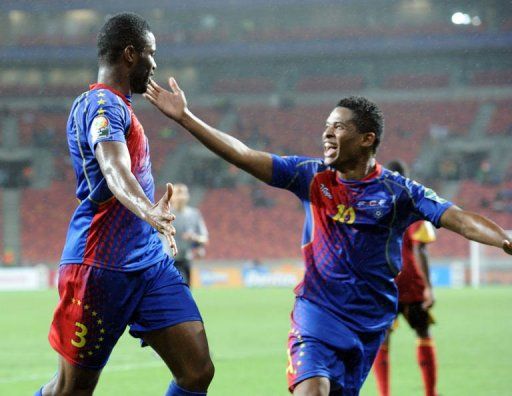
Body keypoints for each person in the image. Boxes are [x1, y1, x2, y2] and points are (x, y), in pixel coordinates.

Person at [144, 77, 512, 395]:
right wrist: (185, 118)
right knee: (312, 389)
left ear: (367, 138)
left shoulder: (399, 192)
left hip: (369, 322)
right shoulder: (310, 175)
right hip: (316, 313)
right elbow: (243, 154)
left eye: (338, 127)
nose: (326, 133)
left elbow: (457, 218)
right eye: (326, 125)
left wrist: (504, 240)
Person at [36, 14, 214, 396]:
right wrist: (148, 209)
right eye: (152, 53)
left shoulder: (120, 107)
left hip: (148, 264)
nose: (155, 63)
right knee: (72, 390)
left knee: (197, 371)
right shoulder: (101, 105)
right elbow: (114, 167)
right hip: (99, 268)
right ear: (131, 54)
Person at [373, 160, 438, 396]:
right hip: (412, 284)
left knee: (383, 339)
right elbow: (420, 248)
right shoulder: (414, 207)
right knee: (423, 333)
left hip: (385, 283)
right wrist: (429, 287)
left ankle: (384, 393)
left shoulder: (376, 206)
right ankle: (431, 392)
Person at [167, 183, 209, 286]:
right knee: (171, 293)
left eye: (184, 193)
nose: (181, 197)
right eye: (178, 193)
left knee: (186, 292)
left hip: (186, 259)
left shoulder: (194, 214)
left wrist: (195, 240)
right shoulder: (164, 214)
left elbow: (204, 238)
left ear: (188, 196)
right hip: (167, 261)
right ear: (171, 197)